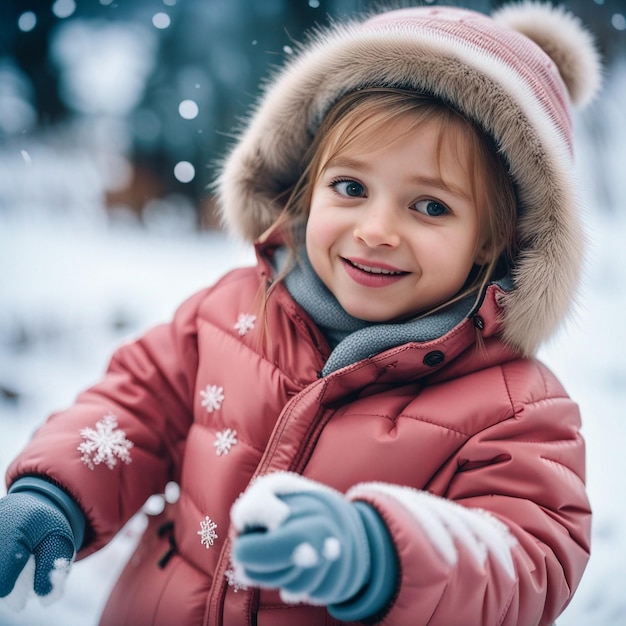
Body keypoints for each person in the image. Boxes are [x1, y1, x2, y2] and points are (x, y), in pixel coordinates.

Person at [0, 3, 602, 625]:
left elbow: (526, 561)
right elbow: (134, 406)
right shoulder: (232, 312)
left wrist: (379, 555)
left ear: (492, 240)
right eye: (350, 187)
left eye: (429, 206)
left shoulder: (514, 411)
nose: (375, 230)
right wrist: (56, 491)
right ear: (308, 187)